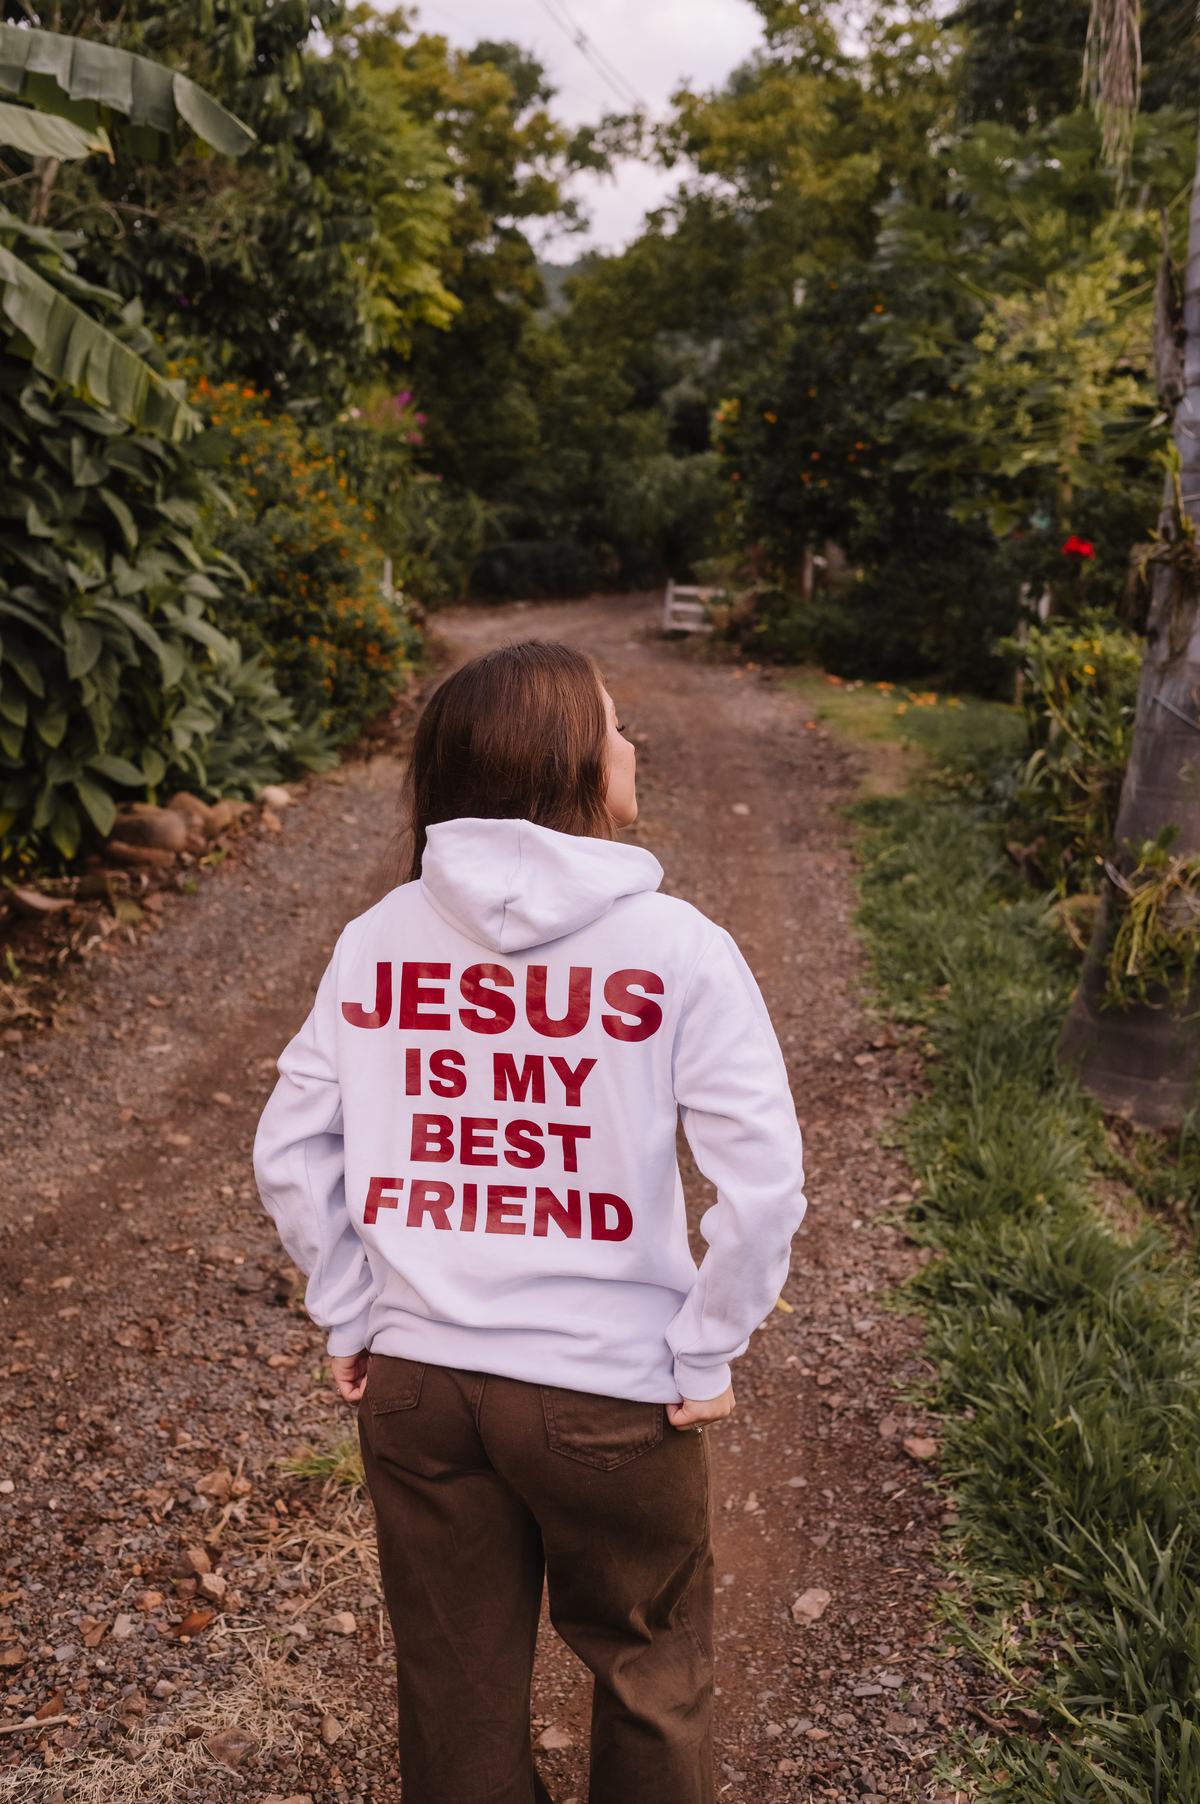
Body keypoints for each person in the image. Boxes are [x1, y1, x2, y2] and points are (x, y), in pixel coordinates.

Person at [254, 640, 806, 1804]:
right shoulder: (679, 949)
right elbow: (763, 1187)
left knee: (452, 1691)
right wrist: (706, 1346)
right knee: (650, 1669)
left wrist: (352, 1310)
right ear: (566, 759)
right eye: (614, 725)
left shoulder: (377, 939)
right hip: (611, 1398)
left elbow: (292, 1151)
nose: (632, 744)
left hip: (419, 1387)